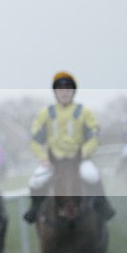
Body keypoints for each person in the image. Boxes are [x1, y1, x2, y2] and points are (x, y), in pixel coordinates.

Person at [24, 71, 116, 224]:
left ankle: (103, 206)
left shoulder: (83, 112)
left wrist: (84, 153)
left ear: (74, 92)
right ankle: (35, 209)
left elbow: (94, 136)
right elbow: (34, 140)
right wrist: (43, 158)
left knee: (92, 174)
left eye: (68, 89)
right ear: (55, 93)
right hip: (55, 161)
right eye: (60, 90)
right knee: (35, 181)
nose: (64, 93)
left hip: (78, 159)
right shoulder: (46, 113)